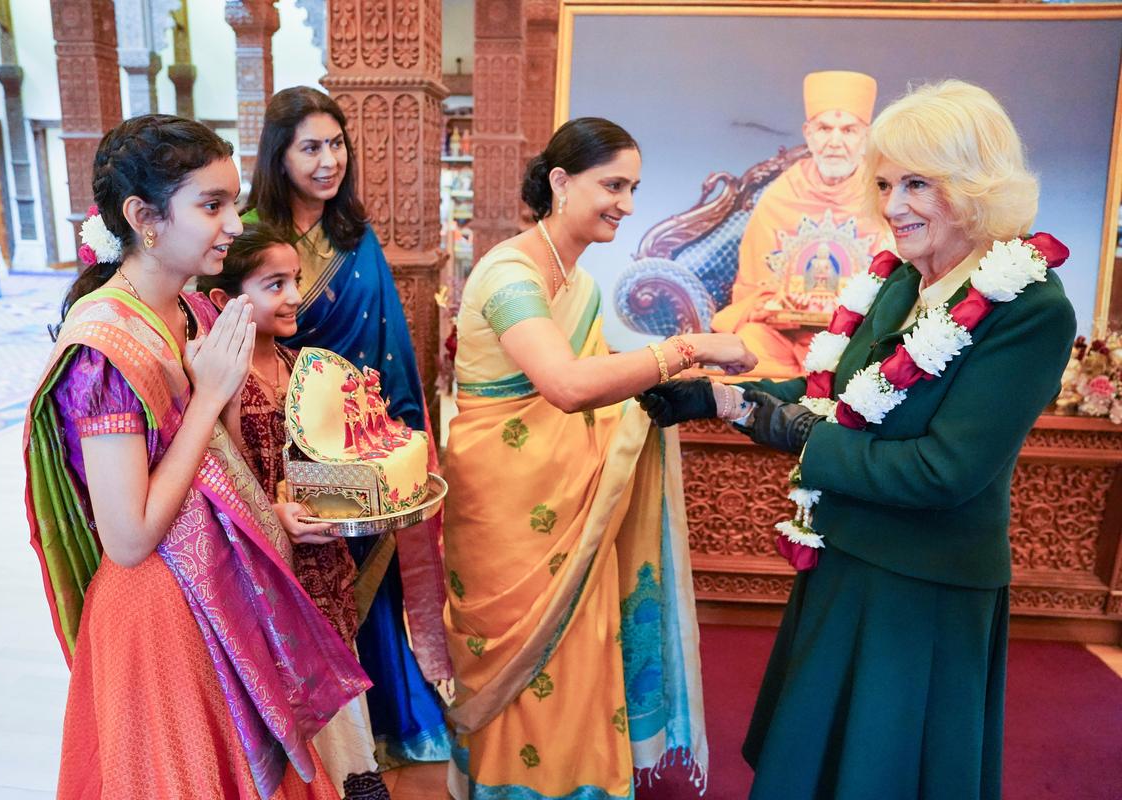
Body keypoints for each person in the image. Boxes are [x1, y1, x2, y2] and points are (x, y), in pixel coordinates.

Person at [642, 80, 1076, 799]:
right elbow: (834, 401)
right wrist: (724, 401)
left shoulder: (1030, 308)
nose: (893, 205)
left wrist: (801, 436)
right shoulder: (901, 282)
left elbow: (945, 470)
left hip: (923, 590)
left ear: (974, 188)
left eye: (917, 184)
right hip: (846, 564)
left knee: (884, 774)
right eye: (884, 184)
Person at [23, 115, 371, 799]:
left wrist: (275, 511)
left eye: (231, 202)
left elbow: (223, 472)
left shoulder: (194, 313)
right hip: (165, 614)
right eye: (211, 206)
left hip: (231, 578)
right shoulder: (104, 351)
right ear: (143, 218)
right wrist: (209, 395)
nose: (235, 224)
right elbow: (128, 537)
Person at [443, 117, 758, 799]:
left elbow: (595, 381)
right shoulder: (509, 275)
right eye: (612, 184)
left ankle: (578, 783)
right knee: (517, 659)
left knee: (585, 642)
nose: (628, 203)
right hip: (506, 506)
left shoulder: (577, 284)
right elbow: (563, 387)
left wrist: (668, 381)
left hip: (567, 500)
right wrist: (690, 348)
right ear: (560, 182)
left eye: (633, 187)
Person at [243, 86, 452, 768]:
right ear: (280, 155)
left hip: (354, 435)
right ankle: (304, 733)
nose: (328, 160)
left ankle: (377, 723)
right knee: (295, 587)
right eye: (311, 146)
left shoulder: (352, 240)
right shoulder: (248, 237)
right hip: (272, 437)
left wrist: (399, 432)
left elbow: (386, 344)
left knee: (366, 577)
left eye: (337, 145)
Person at [197, 224, 390, 800]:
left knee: (338, 691)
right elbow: (224, 478)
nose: (293, 296)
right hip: (263, 571)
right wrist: (272, 519)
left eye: (296, 281)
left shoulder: (308, 367)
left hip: (324, 563)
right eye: (273, 284)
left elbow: (334, 454)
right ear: (222, 301)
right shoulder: (221, 379)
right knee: (285, 699)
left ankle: (352, 782)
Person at [711, 70, 894, 378]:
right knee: (748, 344)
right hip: (784, 337)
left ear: (866, 136)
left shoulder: (884, 193)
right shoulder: (782, 194)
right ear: (808, 133)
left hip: (859, 337)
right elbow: (753, 289)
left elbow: (900, 280)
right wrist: (778, 303)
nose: (835, 142)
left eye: (848, 130)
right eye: (825, 128)